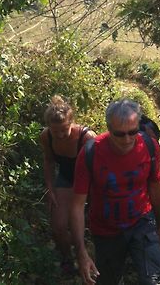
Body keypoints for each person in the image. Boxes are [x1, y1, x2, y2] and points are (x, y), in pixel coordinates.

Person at [70, 99, 160, 285]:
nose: (127, 139)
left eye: (132, 132)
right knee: (108, 280)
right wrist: (81, 252)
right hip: (106, 229)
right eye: (120, 134)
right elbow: (76, 206)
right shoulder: (90, 152)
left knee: (156, 280)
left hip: (142, 222)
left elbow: (156, 187)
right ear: (108, 129)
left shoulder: (149, 146)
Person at [40, 95, 95, 275]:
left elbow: (99, 167)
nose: (61, 135)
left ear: (72, 122)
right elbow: (48, 161)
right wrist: (50, 188)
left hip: (90, 181)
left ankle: (95, 256)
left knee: (96, 221)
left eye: (64, 130)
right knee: (59, 226)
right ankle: (67, 257)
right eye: (56, 132)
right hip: (66, 179)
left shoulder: (87, 137)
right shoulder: (46, 137)